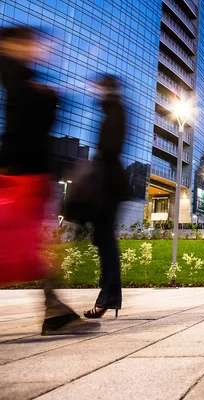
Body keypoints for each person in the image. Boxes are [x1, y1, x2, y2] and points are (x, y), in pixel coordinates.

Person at [0, 26, 82, 335]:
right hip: (20, 172)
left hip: (27, 171)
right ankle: (54, 308)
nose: (38, 49)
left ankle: (55, 308)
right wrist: (46, 98)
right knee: (19, 244)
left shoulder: (21, 76)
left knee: (30, 244)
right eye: (31, 44)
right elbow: (23, 120)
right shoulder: (14, 74)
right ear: (12, 44)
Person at [82, 75, 129, 319]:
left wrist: (94, 170)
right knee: (104, 242)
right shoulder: (114, 111)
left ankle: (108, 298)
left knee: (106, 243)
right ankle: (108, 297)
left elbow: (109, 149)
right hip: (110, 185)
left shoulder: (115, 111)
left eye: (98, 87)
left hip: (107, 186)